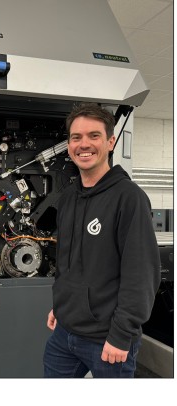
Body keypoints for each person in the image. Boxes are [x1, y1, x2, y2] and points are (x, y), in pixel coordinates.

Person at [44, 103, 161, 377]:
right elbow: (67, 261)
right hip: (64, 334)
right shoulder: (69, 197)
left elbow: (142, 274)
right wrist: (61, 305)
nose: (84, 144)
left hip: (107, 339)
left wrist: (122, 334)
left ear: (110, 142)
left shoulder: (129, 198)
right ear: (69, 145)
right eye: (76, 137)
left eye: (93, 136)